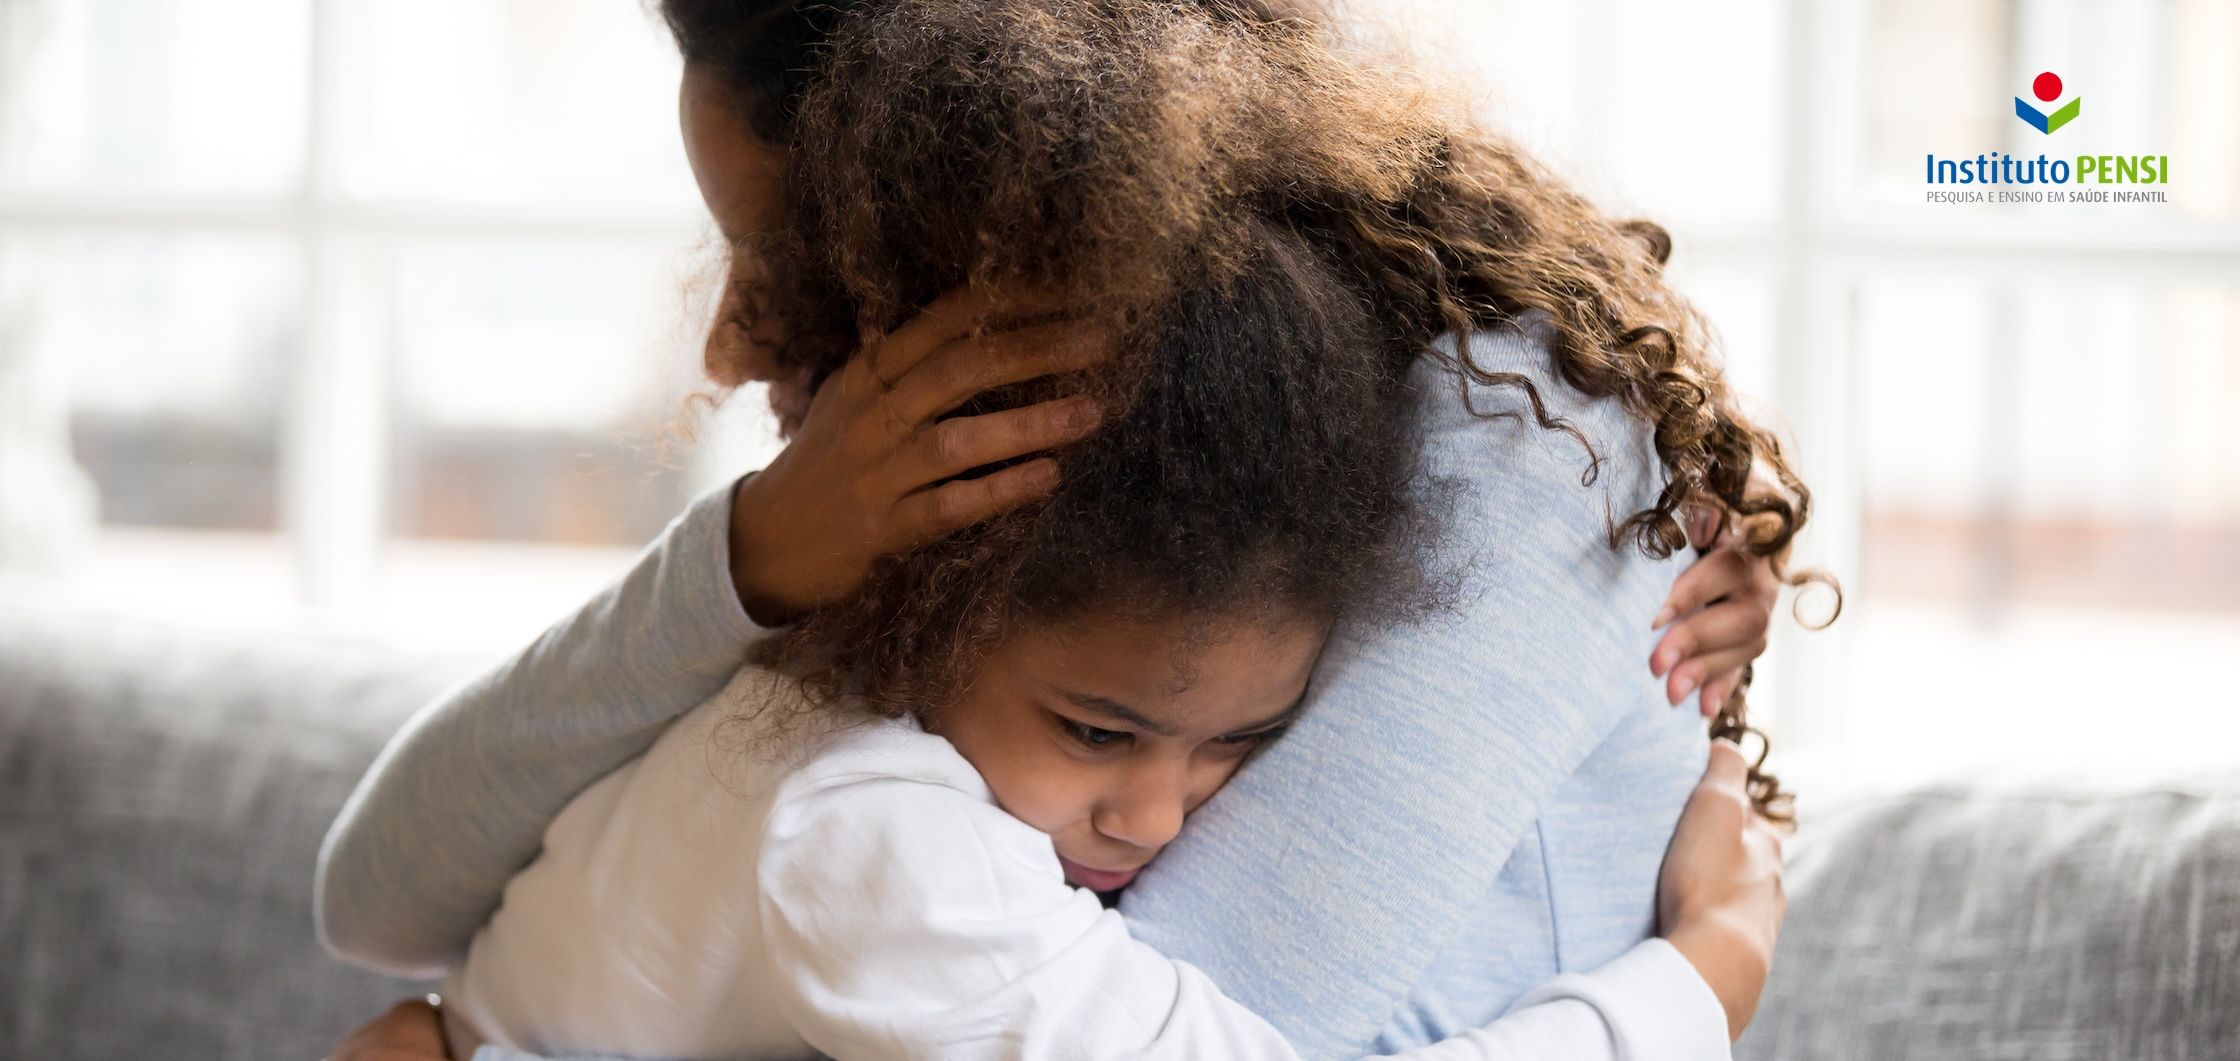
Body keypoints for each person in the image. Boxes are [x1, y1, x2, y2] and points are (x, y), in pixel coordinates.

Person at [318, 0, 1822, 1054]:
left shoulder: (1506, 426)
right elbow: (380, 892)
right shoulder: (974, 521)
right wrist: (751, 556)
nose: (727, 342)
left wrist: (1713, 976)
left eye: (782, 251)